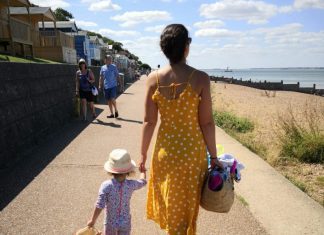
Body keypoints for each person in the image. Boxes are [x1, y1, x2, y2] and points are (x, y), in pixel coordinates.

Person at [139, 24, 223, 235]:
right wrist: (214, 157)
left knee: (171, 202)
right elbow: (207, 123)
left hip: (165, 153)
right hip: (192, 154)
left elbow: (149, 122)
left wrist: (142, 154)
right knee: (187, 205)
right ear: (186, 47)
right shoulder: (201, 78)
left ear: (164, 49)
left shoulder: (154, 79)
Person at [87, 149, 147, 235]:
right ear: (129, 171)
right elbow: (143, 182)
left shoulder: (106, 186)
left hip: (110, 223)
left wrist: (92, 220)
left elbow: (99, 205)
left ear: (111, 170)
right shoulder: (131, 184)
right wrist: (143, 171)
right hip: (125, 222)